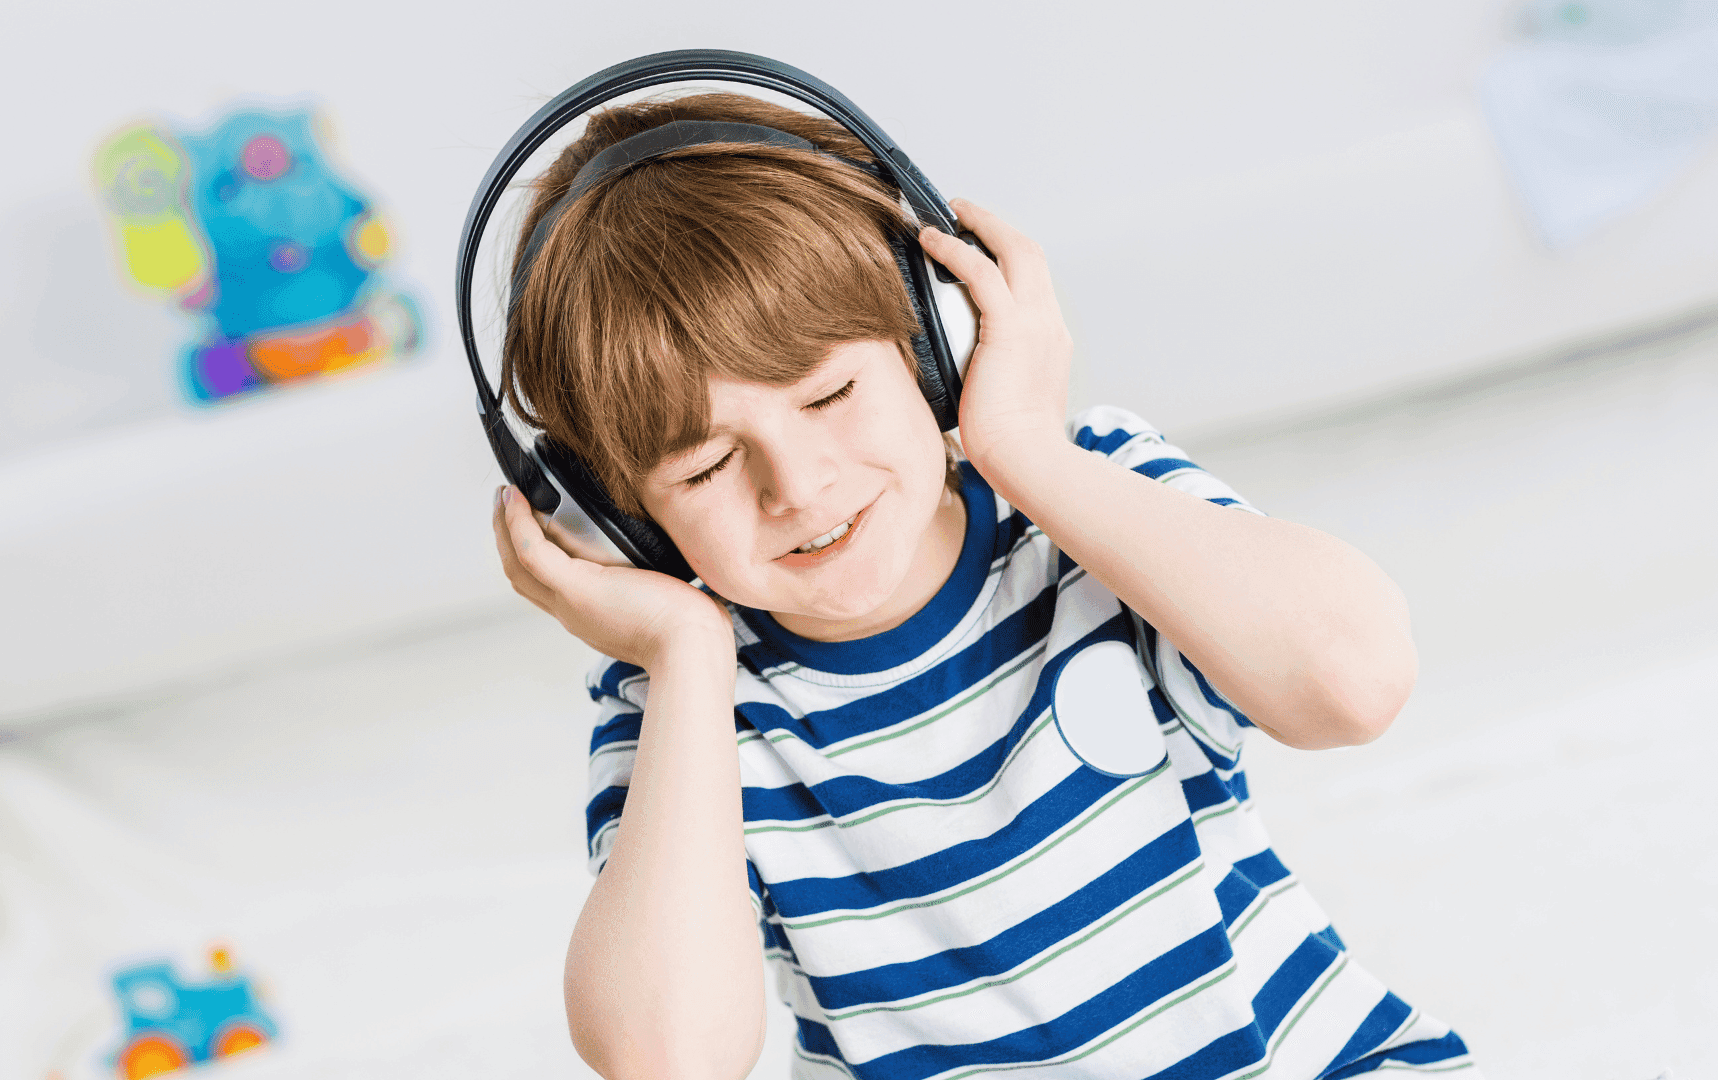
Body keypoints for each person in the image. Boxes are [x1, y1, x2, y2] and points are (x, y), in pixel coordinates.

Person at [490, 91, 1477, 1080]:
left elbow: (1355, 681)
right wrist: (686, 655)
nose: (797, 486)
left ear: (935, 339)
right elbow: (666, 1059)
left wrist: (1024, 449)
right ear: (614, 519)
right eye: (706, 467)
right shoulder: (681, 704)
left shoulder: (1086, 508)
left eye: (830, 394)